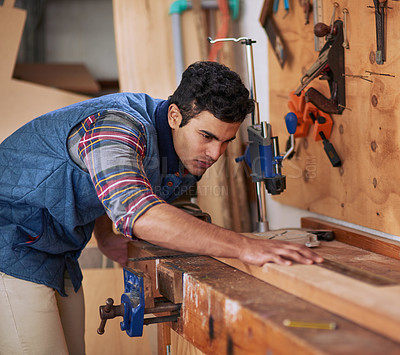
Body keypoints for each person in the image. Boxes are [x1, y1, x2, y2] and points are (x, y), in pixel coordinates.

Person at [0, 61, 323, 354]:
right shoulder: (116, 127)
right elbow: (136, 210)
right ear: (174, 115)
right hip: (10, 244)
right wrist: (243, 246)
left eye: (225, 141)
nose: (215, 154)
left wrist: (106, 234)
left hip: (54, 251)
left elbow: (98, 182)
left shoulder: (178, 148)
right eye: (207, 136)